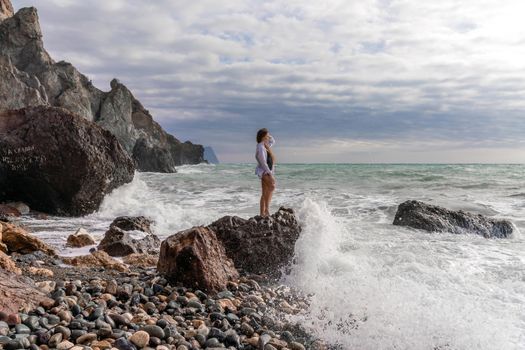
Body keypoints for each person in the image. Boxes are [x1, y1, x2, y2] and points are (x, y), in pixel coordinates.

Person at [255, 128, 276, 217]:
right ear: (263, 136)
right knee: (272, 186)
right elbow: (263, 162)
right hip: (264, 172)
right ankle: (267, 210)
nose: (268, 137)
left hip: (266, 171)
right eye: (267, 135)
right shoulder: (260, 146)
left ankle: (262, 213)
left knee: (264, 192)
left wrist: (268, 135)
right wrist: (270, 174)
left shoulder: (265, 145)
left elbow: (273, 141)